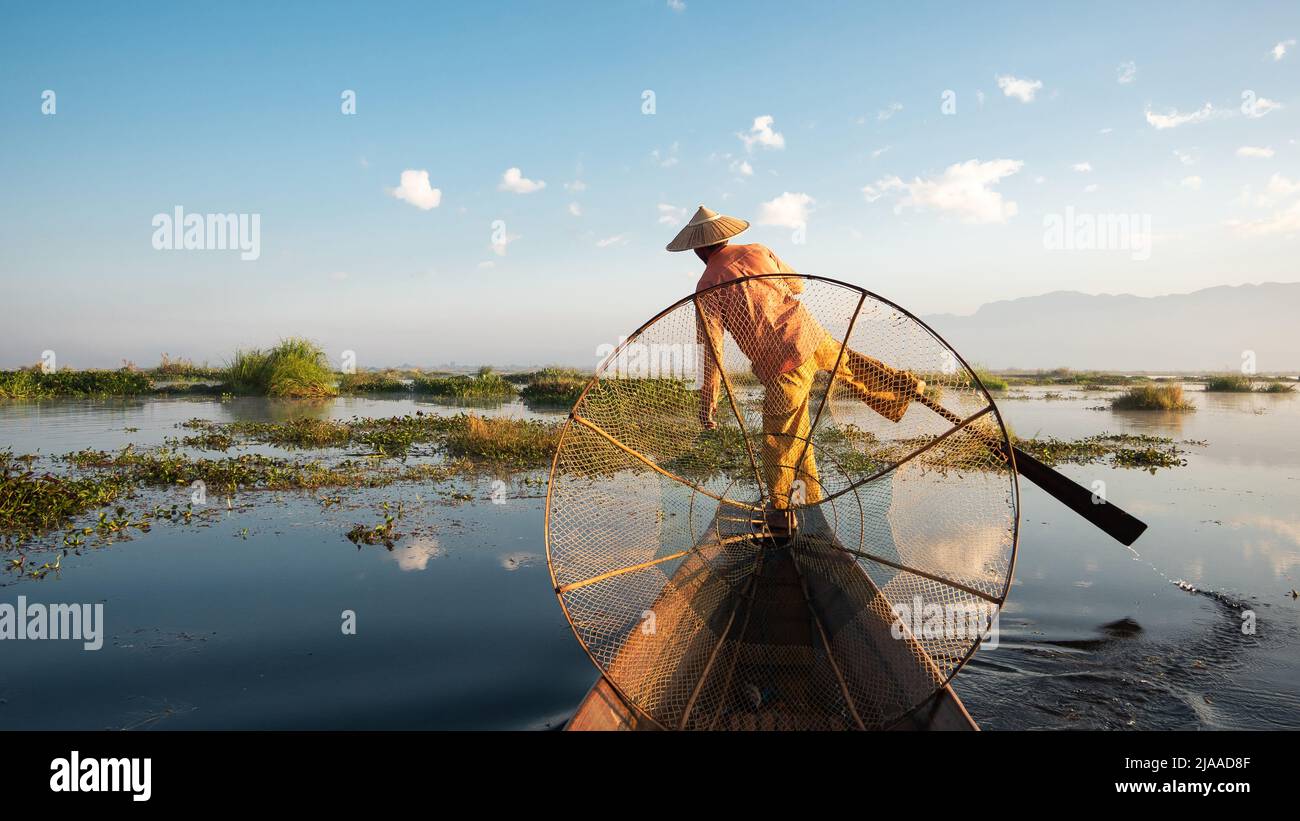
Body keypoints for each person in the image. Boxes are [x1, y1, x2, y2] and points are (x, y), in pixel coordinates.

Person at [665, 206, 925, 535]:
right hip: (810, 334)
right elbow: (798, 285)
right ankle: (905, 388)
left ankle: (781, 514)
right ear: (726, 236)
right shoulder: (758, 250)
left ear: (699, 249)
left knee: (779, 438)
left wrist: (708, 400)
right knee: (850, 366)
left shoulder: (707, 285)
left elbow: (713, 352)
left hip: (782, 365)